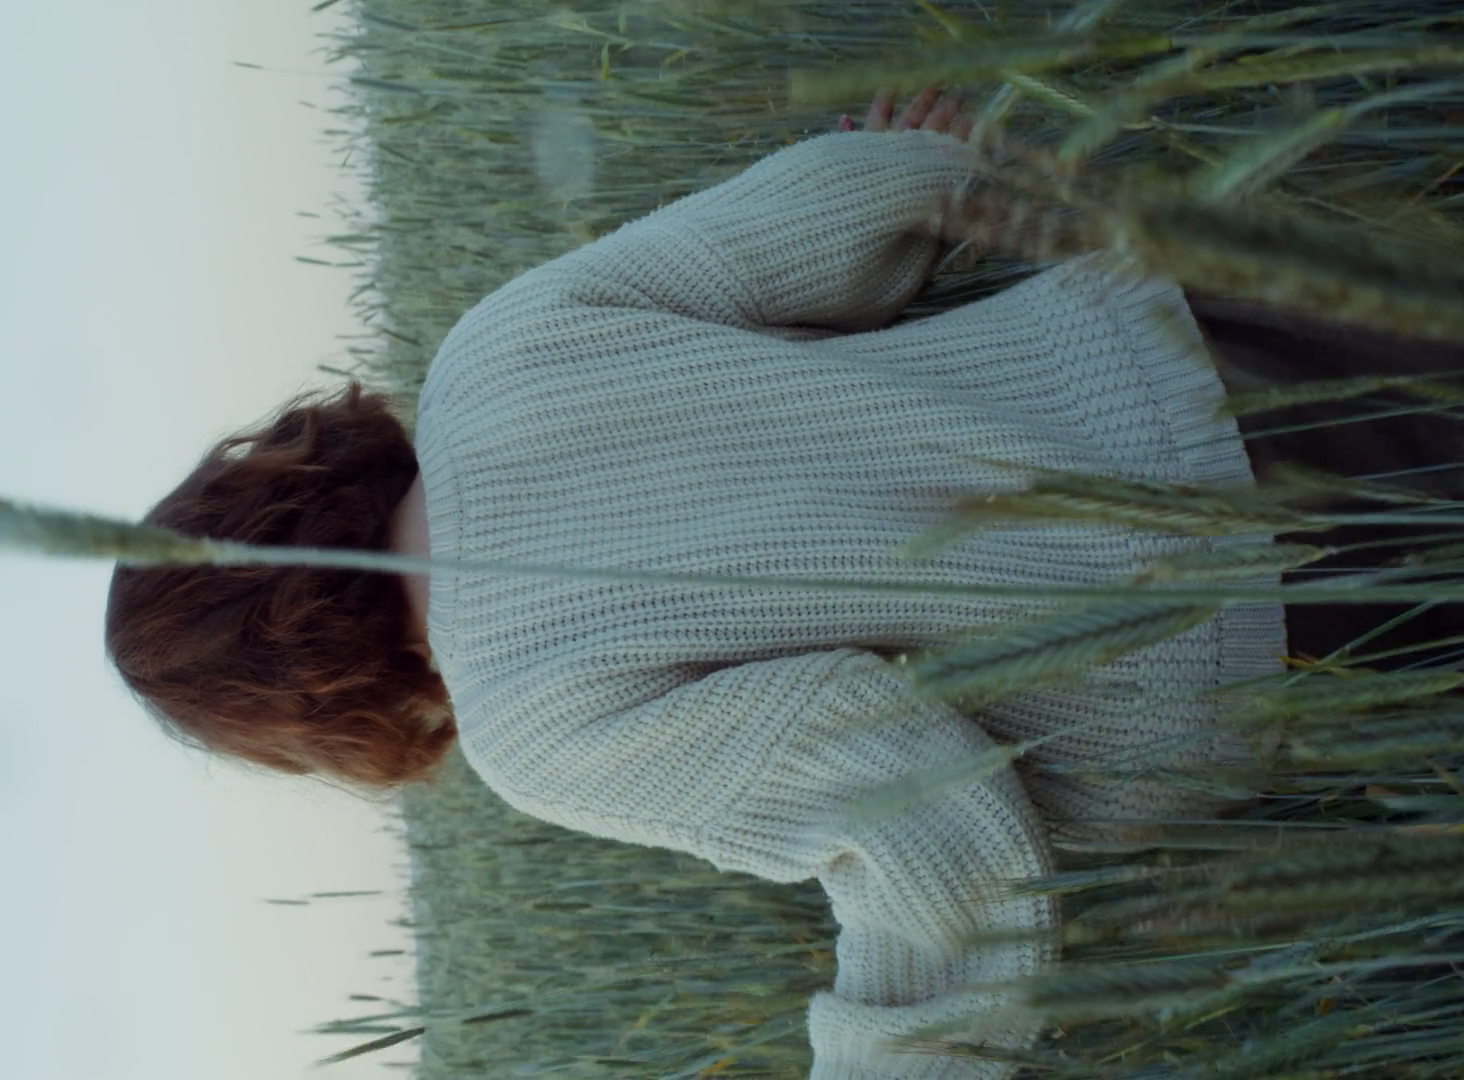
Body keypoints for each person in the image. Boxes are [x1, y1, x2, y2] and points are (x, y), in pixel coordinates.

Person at [104, 86, 1464, 1079]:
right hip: (1184, 347)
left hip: (1255, 620)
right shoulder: (489, 356)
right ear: (271, 483)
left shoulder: (531, 727)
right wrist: (900, 160)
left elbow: (917, 809)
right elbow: (848, 207)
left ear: (304, 708)